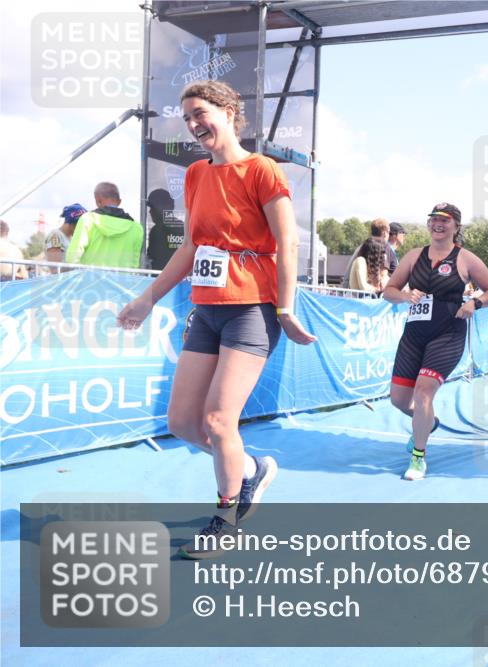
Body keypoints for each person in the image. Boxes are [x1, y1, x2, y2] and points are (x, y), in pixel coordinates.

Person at [116, 80, 316, 558]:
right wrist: (147, 299)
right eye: (187, 118)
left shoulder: (262, 170)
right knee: (184, 422)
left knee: (219, 419)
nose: (193, 124)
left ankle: (227, 517)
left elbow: (288, 242)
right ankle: (249, 470)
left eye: (201, 112)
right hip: (206, 308)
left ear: (229, 111)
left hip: (252, 308)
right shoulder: (196, 176)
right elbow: (190, 246)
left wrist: (285, 308)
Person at [383, 202, 488, 481]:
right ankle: (428, 422)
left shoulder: (466, 259)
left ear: (456, 227)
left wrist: (475, 303)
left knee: (424, 391)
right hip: (414, 336)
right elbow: (388, 290)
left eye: (445, 220)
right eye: (434, 219)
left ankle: (418, 457)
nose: (438, 224)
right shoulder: (413, 256)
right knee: (399, 400)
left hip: (449, 334)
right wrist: (403, 296)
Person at [65, 182, 144, 268]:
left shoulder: (87, 220)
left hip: (91, 280)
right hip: (122, 281)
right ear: (119, 201)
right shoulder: (136, 227)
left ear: (98, 200)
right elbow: (134, 265)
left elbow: (72, 257)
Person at [343, 218, 391, 285]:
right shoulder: (383, 246)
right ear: (384, 233)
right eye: (389, 232)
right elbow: (383, 274)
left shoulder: (365, 245)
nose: (389, 236)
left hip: (348, 287)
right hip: (361, 291)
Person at [146, 188, 185, 270]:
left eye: (152, 208)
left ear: (162, 207)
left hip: (160, 279)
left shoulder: (156, 231)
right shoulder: (185, 228)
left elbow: (150, 258)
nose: (150, 212)